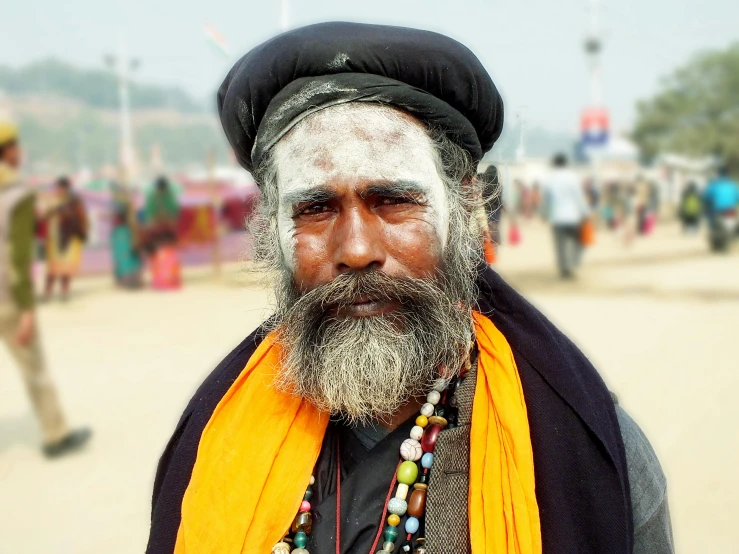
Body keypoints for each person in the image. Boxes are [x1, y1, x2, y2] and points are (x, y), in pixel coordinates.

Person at [146, 23, 673, 554]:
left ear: (464, 209)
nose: (355, 249)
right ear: (271, 236)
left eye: (393, 201)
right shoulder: (213, 442)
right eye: (315, 209)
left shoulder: (584, 451)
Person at [0, 122, 91, 457]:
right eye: (16, 146)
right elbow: (19, 256)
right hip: (8, 299)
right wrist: (26, 310)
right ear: (8, 150)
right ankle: (56, 435)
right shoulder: (16, 195)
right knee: (34, 369)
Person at [541, 153, 590, 279]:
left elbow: (546, 200)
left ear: (554, 163)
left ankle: (564, 269)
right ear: (565, 163)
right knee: (581, 241)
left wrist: (544, 214)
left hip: (557, 217)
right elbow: (579, 197)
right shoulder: (572, 177)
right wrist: (585, 213)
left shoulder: (549, 179)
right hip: (573, 217)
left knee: (560, 245)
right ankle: (573, 262)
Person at [42, 175, 88, 301]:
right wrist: (54, 211)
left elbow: (81, 218)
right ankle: (47, 292)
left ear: (67, 188)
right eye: (57, 188)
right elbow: (44, 216)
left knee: (67, 268)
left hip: (70, 238)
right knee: (52, 268)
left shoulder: (74, 201)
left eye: (61, 188)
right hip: (54, 237)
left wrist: (68, 214)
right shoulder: (52, 200)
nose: (58, 190)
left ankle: (65, 292)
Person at [144, 176, 181, 290]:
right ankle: (163, 280)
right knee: (160, 255)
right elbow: (151, 216)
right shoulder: (155, 197)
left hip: (164, 230)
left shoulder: (165, 197)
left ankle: (166, 280)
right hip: (160, 231)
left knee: (166, 254)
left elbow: (174, 214)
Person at [110, 181, 143, 289]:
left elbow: (120, 215)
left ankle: (126, 281)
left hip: (122, 232)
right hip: (127, 231)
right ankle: (134, 280)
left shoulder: (120, 203)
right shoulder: (128, 201)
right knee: (129, 256)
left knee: (124, 257)